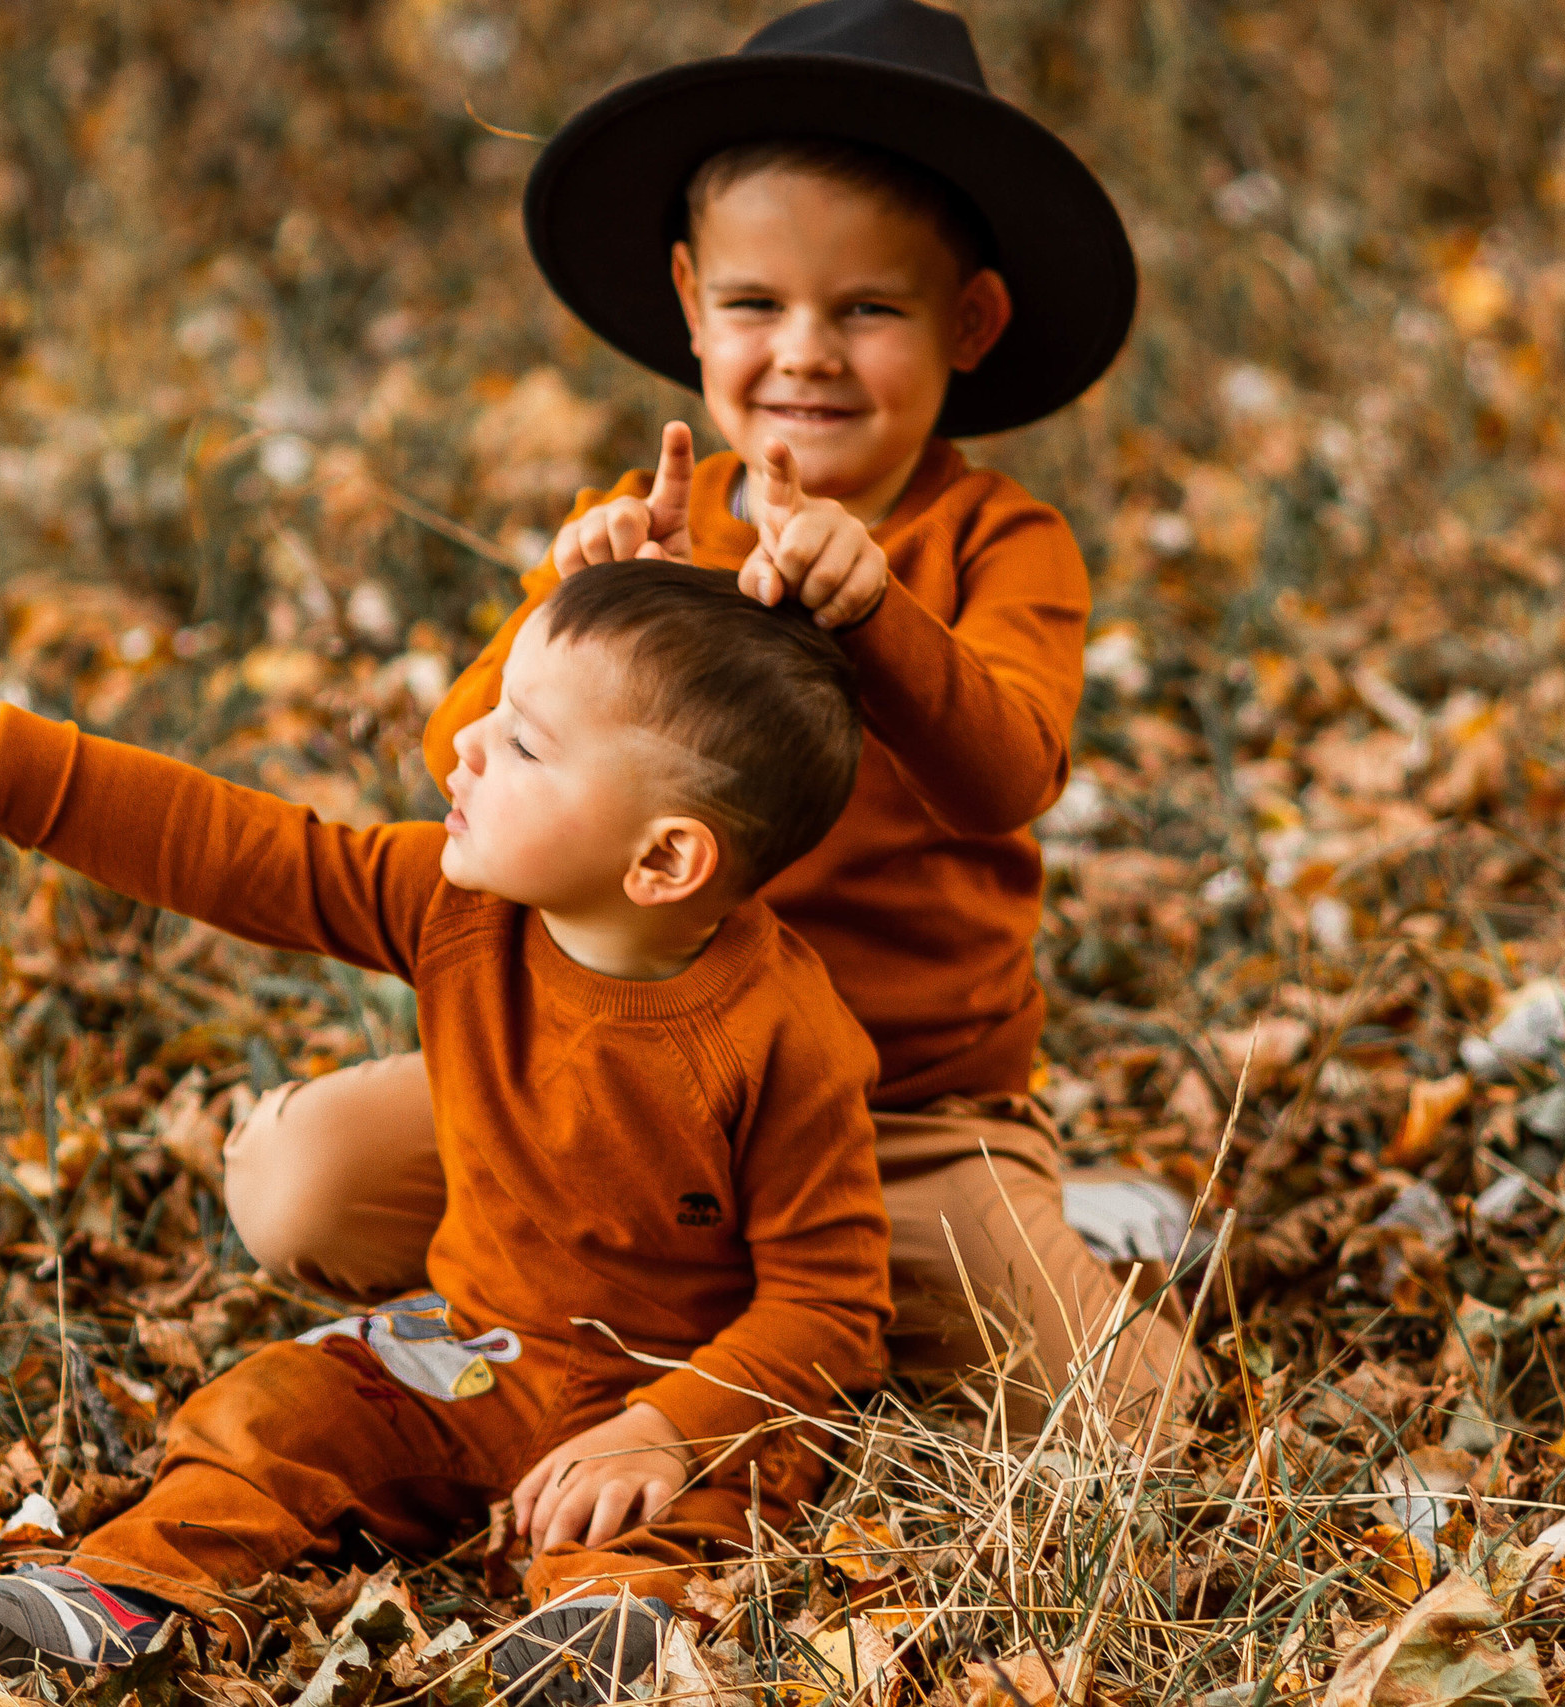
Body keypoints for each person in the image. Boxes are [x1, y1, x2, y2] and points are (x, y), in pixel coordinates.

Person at [225, 0, 1201, 1435]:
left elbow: (1005, 775)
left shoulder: (999, 541)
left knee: (1133, 1413)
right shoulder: (642, 531)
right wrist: (572, 597)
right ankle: (610, 1294)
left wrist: (875, 614)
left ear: (970, 323)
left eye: (867, 310)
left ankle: (972, 1248)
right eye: (754, 306)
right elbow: (460, 762)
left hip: (895, 1118)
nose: (805, 353)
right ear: (689, 302)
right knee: (300, 1187)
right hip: (608, 1075)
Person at [0, 563, 891, 1699]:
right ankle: (113, 1599)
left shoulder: (782, 1037)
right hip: (476, 1347)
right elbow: (235, 850)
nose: (465, 744)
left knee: (676, 1513)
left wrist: (668, 1428)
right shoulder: (458, 906)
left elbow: (830, 1305)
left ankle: (607, 1640)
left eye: (523, 744)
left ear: (664, 859)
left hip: (680, 1390)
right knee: (273, 1412)